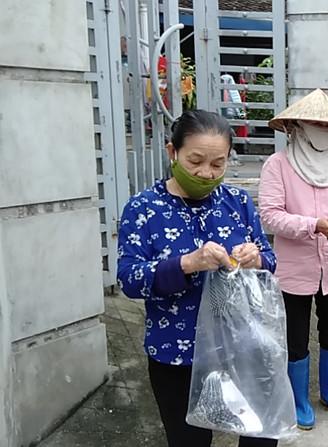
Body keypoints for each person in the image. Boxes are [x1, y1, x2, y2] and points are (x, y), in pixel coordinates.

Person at [117, 110, 278, 447]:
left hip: (242, 345)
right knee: (188, 440)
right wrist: (187, 263)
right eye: (195, 161)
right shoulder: (144, 208)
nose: (206, 173)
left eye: (217, 164)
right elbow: (130, 279)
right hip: (177, 354)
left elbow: (270, 260)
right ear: (171, 152)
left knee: (260, 436)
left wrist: (257, 258)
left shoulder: (237, 202)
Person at [259, 89, 328, 430]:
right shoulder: (277, 165)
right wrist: (313, 226)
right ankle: (298, 399)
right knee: (295, 336)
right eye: (315, 122)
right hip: (294, 270)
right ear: (297, 126)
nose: (322, 128)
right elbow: (270, 216)